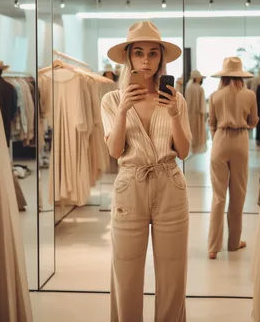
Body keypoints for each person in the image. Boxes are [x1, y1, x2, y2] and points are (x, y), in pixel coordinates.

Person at [100, 21, 192, 322]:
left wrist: (176, 116)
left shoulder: (176, 99)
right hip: (131, 186)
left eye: (153, 54)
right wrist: (124, 110)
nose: (146, 60)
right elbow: (114, 152)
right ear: (128, 58)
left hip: (170, 183)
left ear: (161, 59)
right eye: (138, 53)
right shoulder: (112, 100)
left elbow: (183, 151)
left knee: (173, 272)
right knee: (125, 270)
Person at [207, 57, 259, 260]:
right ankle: (234, 242)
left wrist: (217, 137)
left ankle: (213, 247)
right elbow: (253, 121)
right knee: (238, 194)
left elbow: (211, 122)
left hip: (220, 140)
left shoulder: (215, 95)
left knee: (218, 196)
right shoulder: (250, 95)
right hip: (240, 141)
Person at [185, 70, 207, 154]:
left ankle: (190, 147)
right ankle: (196, 148)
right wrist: (203, 114)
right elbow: (202, 105)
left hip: (189, 113)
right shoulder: (200, 88)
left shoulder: (188, 87)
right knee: (198, 132)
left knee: (191, 130)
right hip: (198, 114)